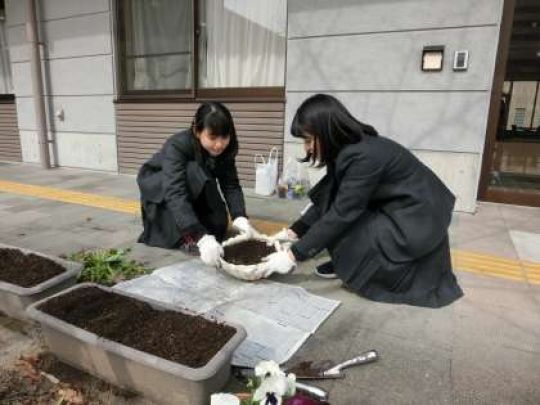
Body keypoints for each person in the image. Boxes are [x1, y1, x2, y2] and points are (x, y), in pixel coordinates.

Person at [259, 94, 463, 308]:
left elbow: (342, 212)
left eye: (309, 140)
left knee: (347, 225)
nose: (307, 148)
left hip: (417, 217)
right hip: (403, 208)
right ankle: (347, 264)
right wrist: (293, 232)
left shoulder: (362, 156)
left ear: (327, 131)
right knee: (337, 218)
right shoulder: (349, 149)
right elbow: (330, 195)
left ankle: (363, 271)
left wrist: (293, 255)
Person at [137, 102, 258, 266]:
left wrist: (239, 216)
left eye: (224, 137)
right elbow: (176, 192)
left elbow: (231, 185)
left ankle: (196, 226)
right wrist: (199, 236)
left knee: (219, 227)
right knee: (194, 171)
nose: (219, 144)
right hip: (161, 188)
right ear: (197, 131)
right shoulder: (177, 145)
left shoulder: (225, 150)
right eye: (213, 137)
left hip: (194, 183)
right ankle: (185, 236)